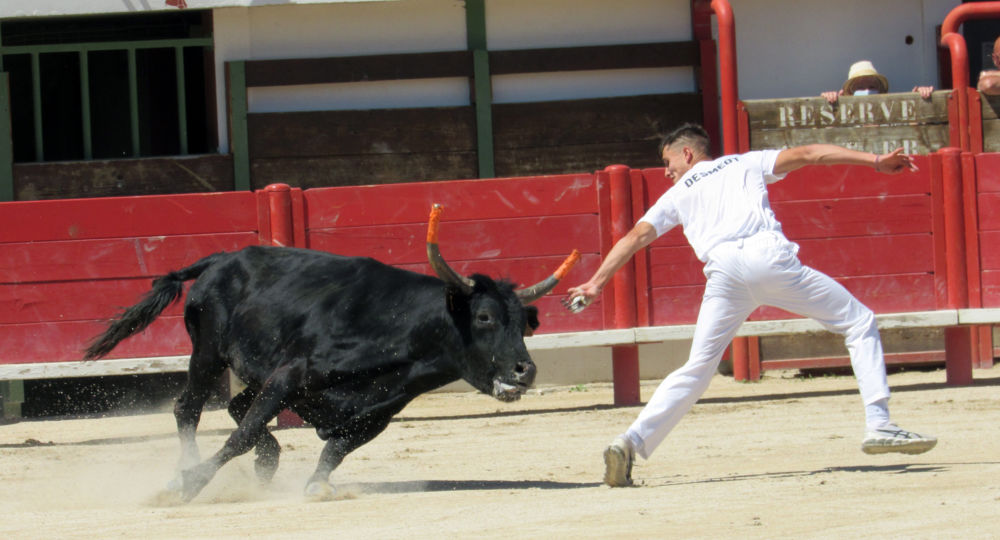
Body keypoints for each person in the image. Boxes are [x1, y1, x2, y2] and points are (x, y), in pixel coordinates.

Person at [565, 123, 938, 488]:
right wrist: (874, 160)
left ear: (688, 153)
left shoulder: (677, 193)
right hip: (767, 258)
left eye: (669, 162)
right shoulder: (745, 162)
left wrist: (597, 281)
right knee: (858, 322)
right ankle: (879, 423)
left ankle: (628, 443)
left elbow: (635, 236)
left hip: (724, 273)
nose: (667, 172)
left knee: (696, 369)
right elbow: (810, 153)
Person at [822, 60, 933, 104]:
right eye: (860, 88)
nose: (867, 91)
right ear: (849, 93)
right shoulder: (843, 118)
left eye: (872, 87)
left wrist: (920, 99)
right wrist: (829, 104)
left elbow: (915, 129)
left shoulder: (893, 114)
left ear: (880, 91)